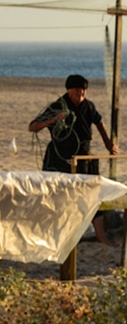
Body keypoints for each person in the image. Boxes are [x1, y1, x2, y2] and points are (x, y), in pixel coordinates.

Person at [28, 73, 119, 244]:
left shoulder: (89, 107)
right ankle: (55, 234)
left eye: (84, 91)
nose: (81, 94)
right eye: (78, 91)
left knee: (93, 193)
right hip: (60, 158)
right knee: (59, 196)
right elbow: (32, 127)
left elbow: (99, 123)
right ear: (69, 90)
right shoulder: (58, 106)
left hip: (85, 156)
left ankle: (100, 236)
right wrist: (53, 120)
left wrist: (108, 144)